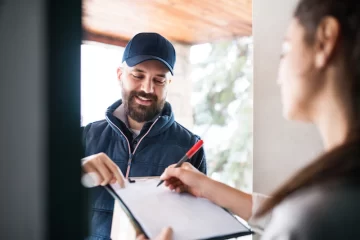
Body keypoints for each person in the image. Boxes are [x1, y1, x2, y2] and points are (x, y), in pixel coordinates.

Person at [148, 0, 360, 239]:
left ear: (325, 40)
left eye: (285, 50)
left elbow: (294, 220)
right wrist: (209, 189)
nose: (279, 75)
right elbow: (281, 215)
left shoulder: (312, 216)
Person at [81, 32, 207, 240]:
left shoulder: (190, 146)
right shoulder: (86, 136)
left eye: (159, 80)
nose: (148, 88)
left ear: (169, 84)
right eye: (138, 76)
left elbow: (200, 229)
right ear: (120, 74)